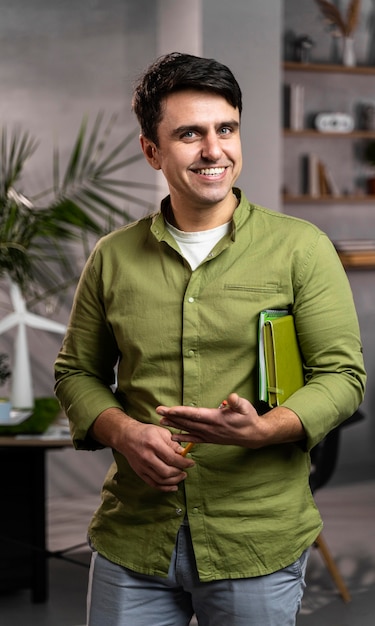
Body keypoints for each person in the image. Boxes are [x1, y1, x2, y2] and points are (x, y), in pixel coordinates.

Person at [54, 52, 366, 626]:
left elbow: (343, 378)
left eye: (226, 128)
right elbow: (76, 372)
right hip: (135, 538)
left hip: (255, 536)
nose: (214, 150)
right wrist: (124, 431)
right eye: (189, 134)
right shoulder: (113, 257)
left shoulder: (302, 248)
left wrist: (267, 428)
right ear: (152, 150)